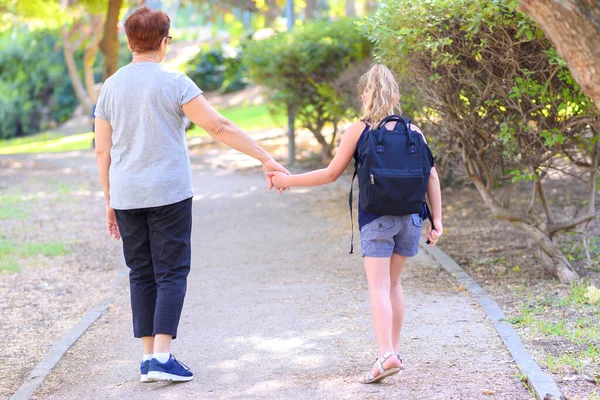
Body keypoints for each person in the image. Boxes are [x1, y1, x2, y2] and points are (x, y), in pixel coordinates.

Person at [94, 6, 288, 383]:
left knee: (141, 273)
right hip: (168, 193)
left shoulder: (111, 86)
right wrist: (265, 157)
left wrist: (108, 199)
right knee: (171, 271)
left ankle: (149, 357)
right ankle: (162, 358)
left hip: (126, 195)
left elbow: (102, 150)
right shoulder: (174, 81)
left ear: (129, 41)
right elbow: (218, 125)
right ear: (164, 42)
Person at [271, 64, 443, 384]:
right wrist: (438, 222)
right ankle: (393, 351)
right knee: (394, 285)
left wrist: (288, 180)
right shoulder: (414, 131)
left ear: (363, 95)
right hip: (411, 218)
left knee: (378, 287)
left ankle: (385, 354)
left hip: (376, 218)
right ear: (395, 96)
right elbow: (431, 175)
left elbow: (330, 174)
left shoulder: (359, 130)